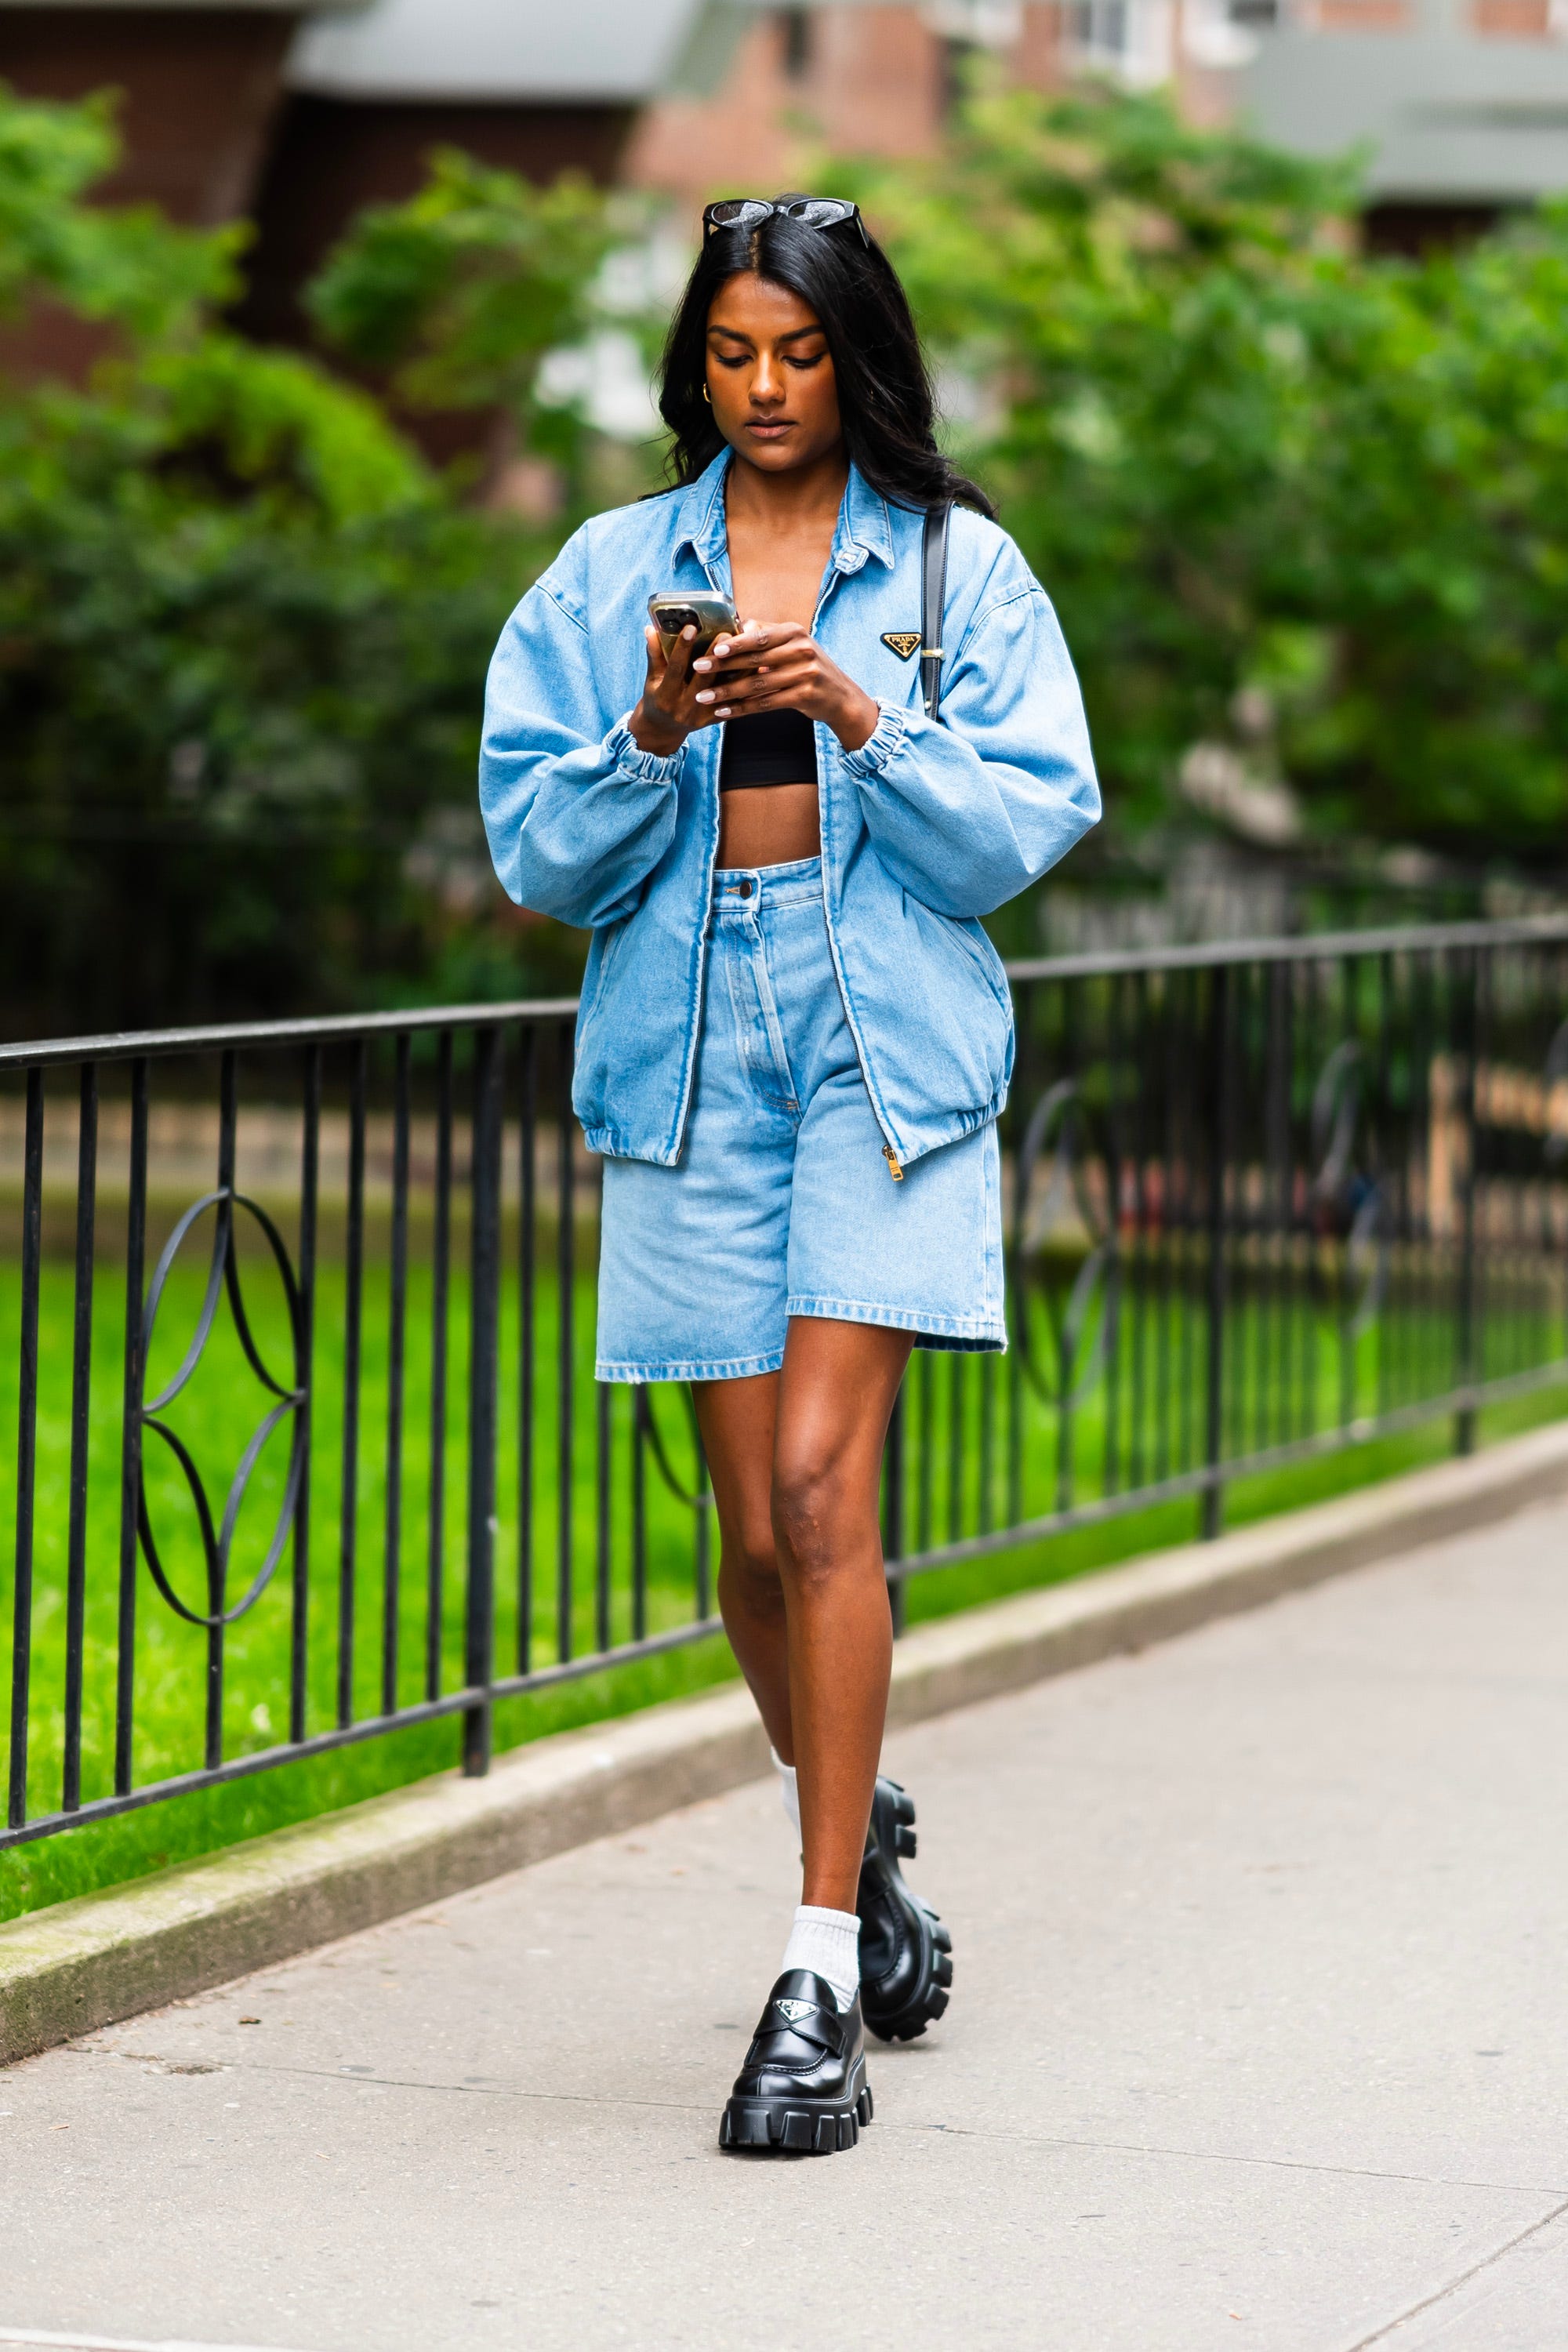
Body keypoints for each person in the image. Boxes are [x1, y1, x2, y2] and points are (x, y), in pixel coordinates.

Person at [480, 194, 1098, 2158]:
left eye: (801, 353)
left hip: (877, 1054)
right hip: (682, 1052)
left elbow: (1023, 823)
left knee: (834, 1491)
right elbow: (533, 858)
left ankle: (817, 1964)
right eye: (733, 354)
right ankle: (872, 1835)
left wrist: (856, 704)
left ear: (858, 358)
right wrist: (652, 733)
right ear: (697, 363)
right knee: (752, 1543)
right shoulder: (604, 573)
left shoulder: (952, 568)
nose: (764, 389)